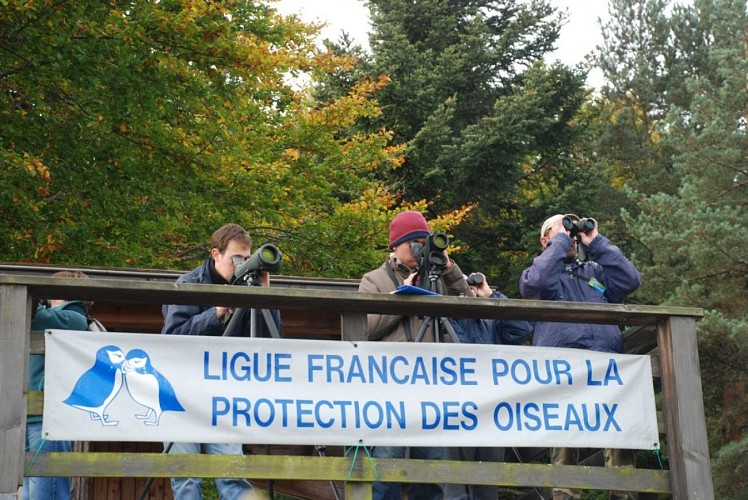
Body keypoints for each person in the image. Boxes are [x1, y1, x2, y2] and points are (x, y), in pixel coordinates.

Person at [519, 214, 642, 500]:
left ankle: (622, 494)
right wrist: (559, 241)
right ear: (544, 240)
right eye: (560, 229)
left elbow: (630, 279)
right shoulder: (540, 273)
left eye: (571, 230)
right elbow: (535, 284)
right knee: (565, 432)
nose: (569, 234)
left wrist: (596, 241)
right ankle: (564, 495)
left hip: (605, 364)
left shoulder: (595, 272)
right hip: (563, 368)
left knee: (618, 427)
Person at [161, 223, 281, 500]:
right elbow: (172, 339)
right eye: (236, 259)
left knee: (232, 476)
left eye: (246, 258)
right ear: (215, 254)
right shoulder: (187, 284)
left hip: (225, 395)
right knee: (186, 477)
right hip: (181, 394)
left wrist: (264, 296)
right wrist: (216, 313)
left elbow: (272, 338)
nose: (242, 265)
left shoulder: (249, 288)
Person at [358, 210, 472, 500]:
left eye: (424, 241)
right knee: (388, 467)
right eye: (414, 242)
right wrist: (403, 298)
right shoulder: (373, 280)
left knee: (430, 472)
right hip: (390, 386)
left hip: (431, 385)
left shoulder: (438, 276)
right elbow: (366, 328)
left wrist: (448, 267)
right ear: (395, 246)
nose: (420, 248)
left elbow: (468, 303)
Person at [444, 273, 533, 500]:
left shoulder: (492, 318)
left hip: (491, 410)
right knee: (456, 484)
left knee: (488, 483)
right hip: (457, 409)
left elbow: (522, 329)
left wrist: (490, 294)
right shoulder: (448, 317)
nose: (469, 291)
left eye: (471, 287)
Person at [23, 270, 93, 500]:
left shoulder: (74, 318)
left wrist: (34, 297)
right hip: (27, 416)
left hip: (47, 420)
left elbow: (37, 317)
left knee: (47, 494)